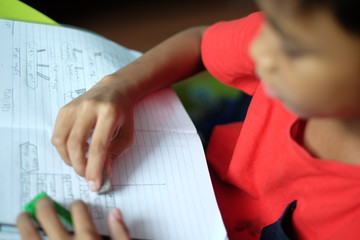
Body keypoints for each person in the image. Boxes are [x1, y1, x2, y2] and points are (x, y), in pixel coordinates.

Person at [17, 0, 360, 239]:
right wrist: (118, 85)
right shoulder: (307, 25)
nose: (259, 51)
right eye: (269, 21)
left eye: (294, 48)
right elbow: (201, 42)